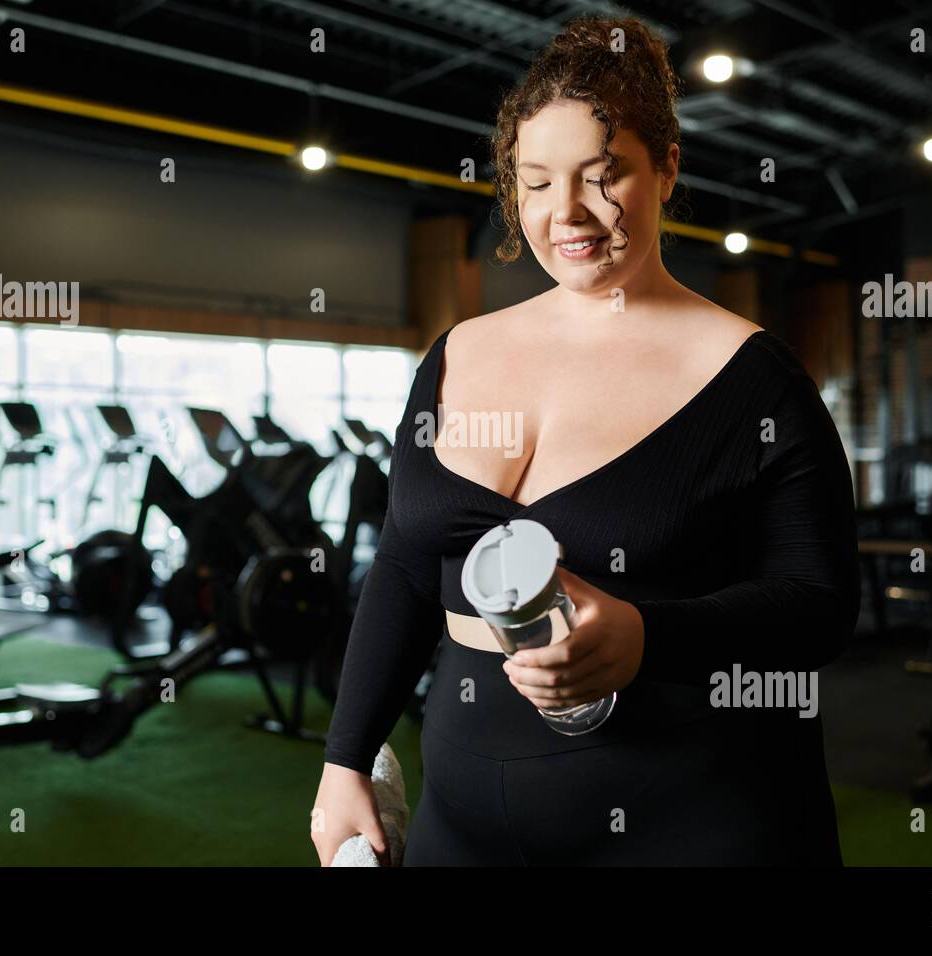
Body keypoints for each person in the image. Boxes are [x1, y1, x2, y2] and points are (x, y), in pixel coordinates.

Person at [311, 13, 860, 866]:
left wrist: (649, 636)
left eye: (603, 177)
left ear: (667, 168)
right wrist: (345, 755)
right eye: (534, 183)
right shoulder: (457, 353)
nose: (565, 213)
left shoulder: (758, 380)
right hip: (468, 814)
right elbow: (406, 565)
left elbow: (820, 604)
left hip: (693, 809)